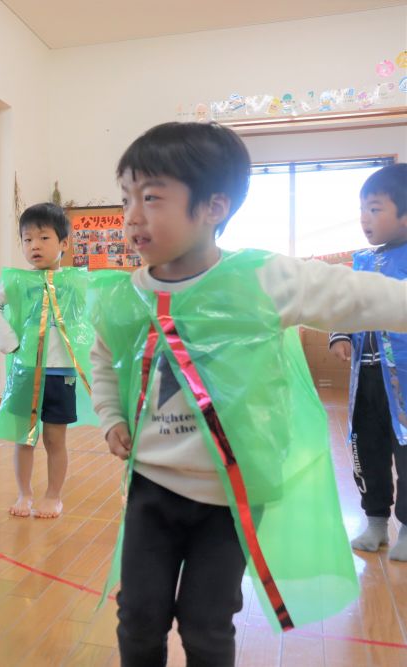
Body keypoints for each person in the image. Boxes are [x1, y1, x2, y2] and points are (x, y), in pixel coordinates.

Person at [90, 122, 407, 665]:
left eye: (151, 197)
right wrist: (110, 415)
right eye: (126, 199)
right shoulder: (127, 295)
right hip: (151, 486)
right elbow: (104, 358)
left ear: (214, 206)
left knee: (207, 624)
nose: (132, 216)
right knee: (137, 615)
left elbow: (361, 297)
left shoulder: (262, 279)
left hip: (231, 498)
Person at [0, 203, 95, 519]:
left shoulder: (75, 282)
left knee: (55, 438)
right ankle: (24, 494)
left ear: (64, 243)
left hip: (62, 373)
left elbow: (97, 309)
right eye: (27, 239)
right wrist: (9, 342)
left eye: (44, 238)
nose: (35, 245)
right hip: (25, 371)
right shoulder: (17, 282)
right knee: (24, 438)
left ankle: (53, 495)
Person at [329, 162, 407, 560]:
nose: (365, 219)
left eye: (375, 209)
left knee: (406, 452)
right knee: (365, 447)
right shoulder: (360, 261)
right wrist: (340, 335)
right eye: (362, 209)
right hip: (366, 378)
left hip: (405, 385)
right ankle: (375, 523)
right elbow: (344, 306)